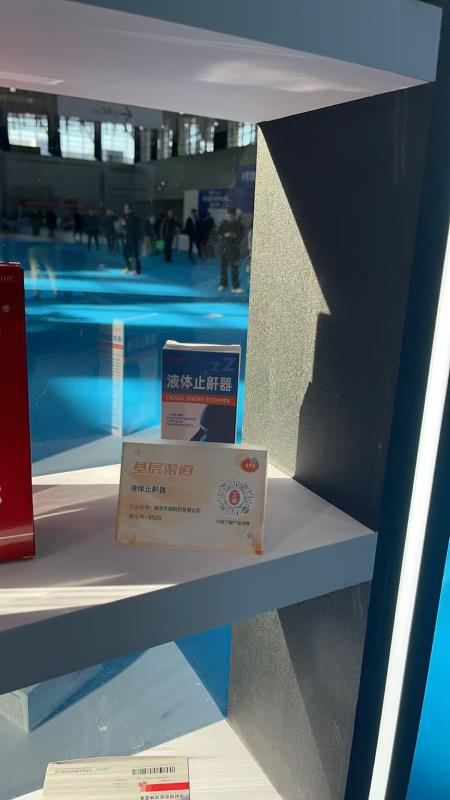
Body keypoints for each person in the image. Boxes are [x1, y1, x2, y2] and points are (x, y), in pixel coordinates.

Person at [217, 208, 245, 292]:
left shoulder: (239, 225)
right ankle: (223, 285)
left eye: (231, 216)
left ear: (234, 216)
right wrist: (225, 235)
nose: (229, 217)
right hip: (224, 249)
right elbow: (219, 233)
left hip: (234, 250)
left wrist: (234, 235)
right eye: (228, 215)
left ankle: (236, 287)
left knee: (234, 269)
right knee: (223, 268)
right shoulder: (223, 223)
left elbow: (241, 236)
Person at [122, 203, 143, 275]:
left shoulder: (135, 217)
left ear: (130, 209)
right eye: (124, 208)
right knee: (125, 252)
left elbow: (136, 228)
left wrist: (125, 224)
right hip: (128, 238)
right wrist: (124, 225)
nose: (124, 210)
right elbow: (127, 228)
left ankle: (137, 270)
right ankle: (129, 267)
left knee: (135, 255)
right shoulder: (127, 217)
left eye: (126, 208)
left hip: (134, 239)